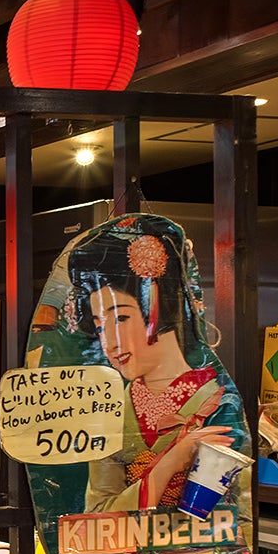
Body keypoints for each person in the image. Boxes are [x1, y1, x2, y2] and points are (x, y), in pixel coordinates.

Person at [65, 217, 247, 513]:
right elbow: (98, 513)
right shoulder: (111, 410)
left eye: (121, 318)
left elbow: (236, 514)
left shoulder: (220, 402)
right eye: (100, 328)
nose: (110, 344)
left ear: (156, 306)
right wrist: (171, 462)